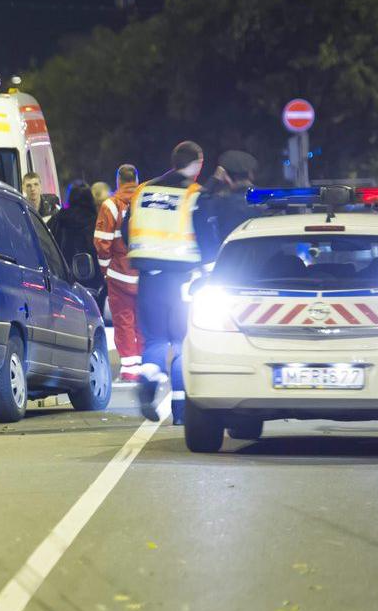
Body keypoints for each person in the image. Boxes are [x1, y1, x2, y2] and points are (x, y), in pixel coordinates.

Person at [126, 141, 205, 423]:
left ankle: (147, 387)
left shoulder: (143, 190)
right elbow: (205, 237)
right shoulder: (193, 195)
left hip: (149, 279)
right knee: (183, 344)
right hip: (182, 282)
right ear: (197, 164)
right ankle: (181, 412)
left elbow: (128, 231)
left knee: (155, 340)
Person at [95, 164, 142, 380]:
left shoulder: (110, 206)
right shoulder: (145, 201)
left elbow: (102, 244)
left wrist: (106, 270)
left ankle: (129, 370)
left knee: (124, 322)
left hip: (119, 274)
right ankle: (143, 365)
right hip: (143, 274)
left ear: (118, 181)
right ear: (136, 179)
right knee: (142, 320)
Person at [194, 150, 260, 265]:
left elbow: (199, 206)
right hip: (265, 268)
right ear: (251, 174)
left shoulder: (219, 203)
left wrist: (214, 179)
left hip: (230, 268)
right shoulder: (269, 198)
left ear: (225, 177)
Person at [49, 180, 100, 292]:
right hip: (94, 281)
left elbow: (47, 246)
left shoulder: (58, 219)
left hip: (65, 280)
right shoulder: (97, 221)